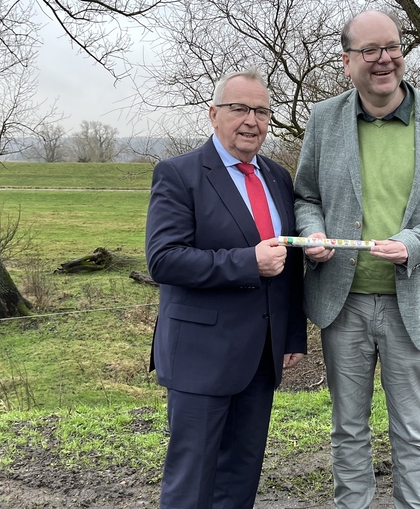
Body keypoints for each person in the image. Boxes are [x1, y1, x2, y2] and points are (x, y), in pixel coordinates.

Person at [293, 10, 420, 509]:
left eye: (392, 47)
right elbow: (306, 195)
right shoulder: (323, 119)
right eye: (370, 51)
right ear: (346, 62)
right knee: (348, 429)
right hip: (343, 303)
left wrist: (417, 244)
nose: (384, 59)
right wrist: (312, 231)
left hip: (412, 302)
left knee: (412, 430)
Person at [145, 68, 307, 509]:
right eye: (239, 109)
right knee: (192, 481)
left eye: (261, 111)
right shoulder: (179, 174)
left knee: (240, 478)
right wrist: (247, 262)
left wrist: (292, 335)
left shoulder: (278, 178)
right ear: (213, 114)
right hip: (201, 354)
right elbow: (163, 259)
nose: (250, 120)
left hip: (260, 354)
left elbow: (287, 263)